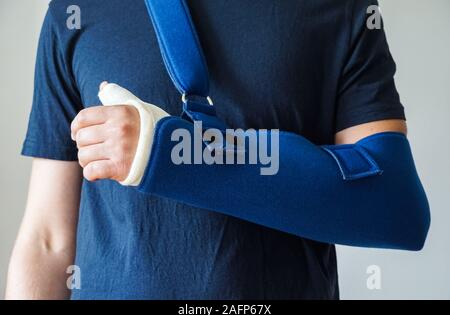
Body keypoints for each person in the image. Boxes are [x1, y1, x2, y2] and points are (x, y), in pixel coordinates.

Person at [6, 0, 427, 299]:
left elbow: (394, 205)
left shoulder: (341, 8)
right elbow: (47, 239)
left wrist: (168, 154)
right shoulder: (75, 10)